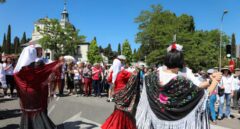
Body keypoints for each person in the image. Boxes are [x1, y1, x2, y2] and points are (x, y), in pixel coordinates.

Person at [135, 43, 222, 129]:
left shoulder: (150, 78)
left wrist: (210, 81)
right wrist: (215, 81)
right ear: (180, 62)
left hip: (154, 122)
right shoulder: (183, 82)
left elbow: (198, 87)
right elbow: (203, 95)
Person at [13, 45, 63, 129]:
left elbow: (16, 80)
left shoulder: (18, 70)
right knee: (37, 112)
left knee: (27, 112)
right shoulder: (36, 68)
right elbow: (49, 73)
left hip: (24, 94)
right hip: (35, 92)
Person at [101, 63, 140, 129]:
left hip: (116, 93)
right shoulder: (123, 72)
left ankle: (115, 124)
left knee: (118, 110)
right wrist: (137, 69)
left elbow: (109, 80)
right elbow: (133, 77)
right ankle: (120, 126)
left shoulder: (114, 72)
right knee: (122, 111)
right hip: (123, 93)